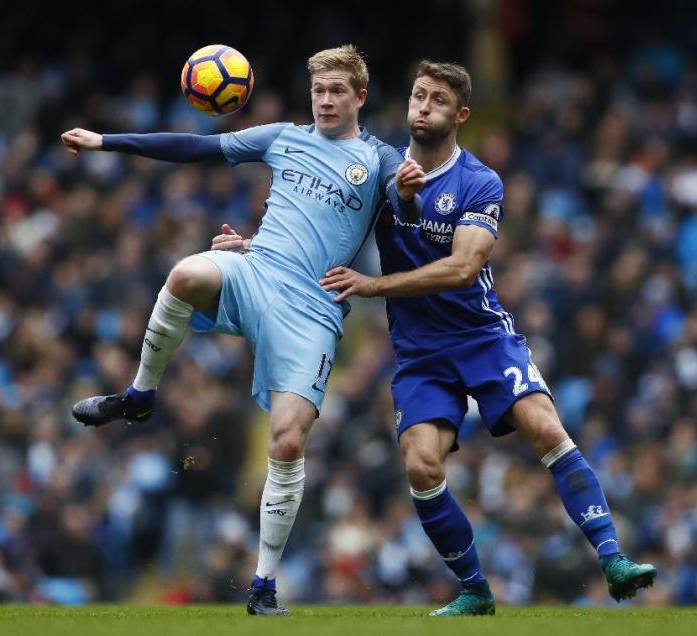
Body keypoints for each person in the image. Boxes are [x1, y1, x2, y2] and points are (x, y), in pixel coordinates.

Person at [215, 60, 657, 615]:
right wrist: (252, 249)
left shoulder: (479, 181)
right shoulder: (378, 172)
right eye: (418, 96)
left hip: (481, 335)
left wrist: (375, 285)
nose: (424, 107)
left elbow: (462, 269)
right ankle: (475, 589)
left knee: (544, 426)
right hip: (420, 352)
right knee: (421, 464)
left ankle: (613, 559)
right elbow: (317, 230)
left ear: (460, 114)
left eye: (438, 101)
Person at [60, 45, 424, 616]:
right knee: (184, 273)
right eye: (318, 91)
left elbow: (408, 223)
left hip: (312, 310)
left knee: (287, 440)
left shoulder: (380, 161)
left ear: (360, 97)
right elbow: (196, 148)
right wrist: (107, 141)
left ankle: (263, 587)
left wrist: (405, 198)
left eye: (336, 92)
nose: (326, 101)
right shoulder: (283, 136)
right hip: (256, 271)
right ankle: (138, 396)